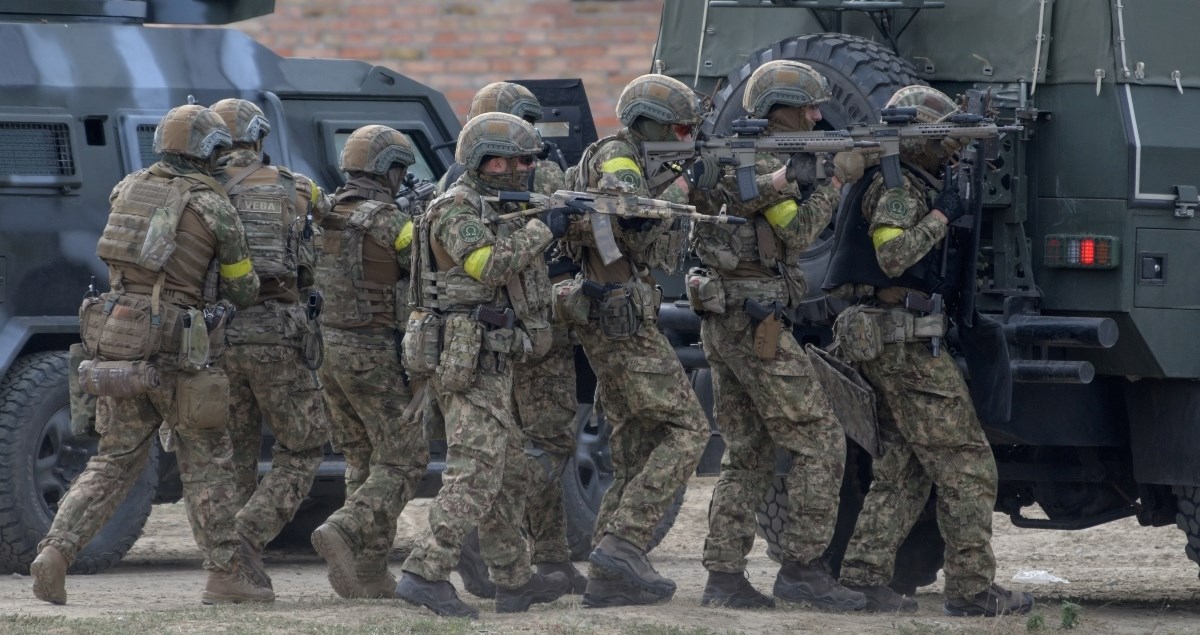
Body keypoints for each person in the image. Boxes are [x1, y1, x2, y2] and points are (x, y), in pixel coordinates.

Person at [32, 104, 269, 605]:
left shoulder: (128, 187)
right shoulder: (214, 206)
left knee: (113, 460)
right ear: (209, 149)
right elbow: (242, 287)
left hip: (117, 338)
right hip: (179, 349)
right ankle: (227, 575)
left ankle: (56, 551)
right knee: (208, 462)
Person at [826, 85, 1035, 617]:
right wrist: (941, 216)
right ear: (921, 139)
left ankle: (864, 577)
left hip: (894, 336)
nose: (952, 152)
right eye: (945, 141)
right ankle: (970, 590)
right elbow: (893, 257)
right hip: (903, 342)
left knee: (906, 465)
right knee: (968, 464)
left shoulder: (909, 180)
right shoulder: (899, 189)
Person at [684, 60, 867, 610]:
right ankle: (805, 569)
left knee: (749, 451)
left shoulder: (748, 156)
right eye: (809, 106)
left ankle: (724, 575)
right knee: (821, 438)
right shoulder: (763, 161)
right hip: (752, 318)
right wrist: (837, 180)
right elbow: (797, 230)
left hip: (730, 319)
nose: (818, 115)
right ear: (781, 109)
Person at [394, 112, 570, 618]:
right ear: (490, 162)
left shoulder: (489, 204)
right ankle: (425, 571)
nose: (526, 168)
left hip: (487, 355)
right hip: (467, 359)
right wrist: (543, 229)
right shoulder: (456, 209)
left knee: (509, 473)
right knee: (475, 470)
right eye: (519, 160)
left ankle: (512, 578)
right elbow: (486, 265)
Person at [558, 74, 717, 609]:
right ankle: (624, 544)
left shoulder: (631, 154)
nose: (684, 136)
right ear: (647, 123)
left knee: (632, 444)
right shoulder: (619, 156)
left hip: (615, 310)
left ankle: (610, 572)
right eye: (677, 128)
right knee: (688, 428)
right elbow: (630, 207)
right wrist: (682, 184)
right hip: (616, 312)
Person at [445, 81, 588, 600]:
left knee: (521, 444)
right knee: (547, 443)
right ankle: (483, 530)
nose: (528, 160)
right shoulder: (537, 177)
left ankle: (548, 559)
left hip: (506, 330)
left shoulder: (458, 182)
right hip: (526, 327)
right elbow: (494, 260)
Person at [209, 98, 329, 592]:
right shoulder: (297, 188)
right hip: (276, 333)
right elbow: (324, 218)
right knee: (303, 446)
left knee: (231, 455)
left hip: (214, 338)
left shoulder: (197, 190)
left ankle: (229, 570)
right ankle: (245, 540)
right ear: (260, 138)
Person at [308, 125, 428, 600]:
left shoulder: (324, 215)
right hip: (373, 350)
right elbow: (424, 267)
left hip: (328, 352)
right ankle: (347, 527)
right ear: (389, 171)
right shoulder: (389, 222)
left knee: (362, 460)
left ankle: (366, 571)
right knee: (404, 459)